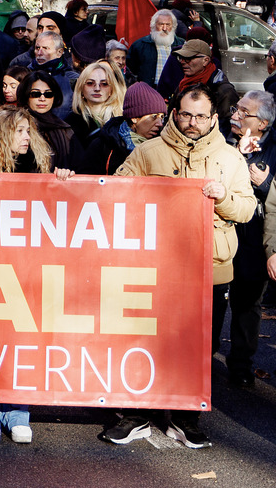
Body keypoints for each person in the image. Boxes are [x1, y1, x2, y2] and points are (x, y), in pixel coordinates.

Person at [109, 85, 254, 449]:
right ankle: (136, 414)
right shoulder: (148, 152)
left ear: (213, 119)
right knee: (144, 339)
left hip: (211, 266)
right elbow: (114, 196)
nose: (192, 122)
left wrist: (223, 198)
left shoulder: (231, 158)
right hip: (154, 268)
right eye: (186, 114)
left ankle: (186, 417)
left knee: (198, 345)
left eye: (200, 116)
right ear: (174, 113)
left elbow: (247, 210)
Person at [0, 105, 72, 444]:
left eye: (28, 132)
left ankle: (18, 409)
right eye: (20, 131)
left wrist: (61, 181)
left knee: (23, 335)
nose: (27, 137)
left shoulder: (40, 166)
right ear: (1, 133)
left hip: (26, 266)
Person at [224, 91, 276, 389]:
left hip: (256, 233)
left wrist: (265, 183)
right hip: (221, 227)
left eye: (245, 113)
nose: (235, 115)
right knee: (215, 298)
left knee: (247, 301)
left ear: (264, 123)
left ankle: (241, 364)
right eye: (236, 109)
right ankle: (201, 358)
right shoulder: (221, 137)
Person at [80, 81, 166, 175]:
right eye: (154, 116)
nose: (160, 123)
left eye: (161, 117)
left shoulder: (165, 144)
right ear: (134, 118)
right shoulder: (104, 145)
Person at [19, 70, 83, 172]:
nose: (42, 98)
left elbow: (79, 167)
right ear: (26, 96)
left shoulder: (65, 130)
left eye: (48, 94)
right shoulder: (16, 126)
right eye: (36, 94)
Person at [67, 60, 126, 145]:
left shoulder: (122, 121)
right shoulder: (71, 122)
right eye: (90, 83)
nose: (97, 88)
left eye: (104, 84)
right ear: (81, 89)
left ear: (112, 89)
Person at [127, 9, 182, 87]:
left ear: (173, 26)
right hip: (147, 91)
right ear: (153, 25)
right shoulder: (140, 45)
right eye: (161, 24)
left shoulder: (181, 45)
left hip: (173, 91)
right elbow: (131, 70)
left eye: (168, 24)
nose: (164, 28)